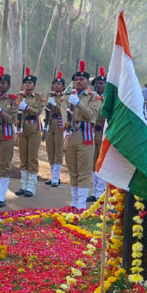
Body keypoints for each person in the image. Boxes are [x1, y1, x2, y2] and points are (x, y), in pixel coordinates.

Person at [62, 60, 101, 209]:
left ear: (87, 82)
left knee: (84, 171)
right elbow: (64, 118)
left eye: (82, 79)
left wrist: (78, 103)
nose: (78, 82)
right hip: (71, 134)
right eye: (76, 79)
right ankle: (74, 201)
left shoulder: (94, 97)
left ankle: (80, 204)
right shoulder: (66, 97)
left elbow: (91, 115)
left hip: (86, 136)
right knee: (73, 170)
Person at [0, 66, 18, 208]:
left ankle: (2, 196)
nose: (1, 85)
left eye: (4, 83)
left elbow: (12, 119)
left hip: (6, 135)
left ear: (8, 85)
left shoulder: (13, 100)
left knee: (4, 165)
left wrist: (0, 112)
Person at [15, 68, 44, 197]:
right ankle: (24, 184)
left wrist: (26, 107)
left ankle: (31, 186)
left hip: (33, 128)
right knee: (23, 157)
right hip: (22, 128)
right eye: (26, 83)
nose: (27, 85)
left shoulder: (38, 97)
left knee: (32, 157)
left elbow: (38, 111)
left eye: (30, 83)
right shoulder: (18, 97)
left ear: (34, 85)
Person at [87, 67, 107, 202]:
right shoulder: (91, 98)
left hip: (103, 132)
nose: (98, 85)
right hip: (92, 132)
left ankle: (102, 192)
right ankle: (96, 191)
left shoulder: (108, 99)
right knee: (93, 163)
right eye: (96, 83)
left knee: (102, 162)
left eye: (101, 83)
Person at [44, 71, 66, 187]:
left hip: (59, 123)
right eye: (55, 84)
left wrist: (54, 105)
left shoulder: (64, 97)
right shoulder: (49, 95)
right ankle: (53, 176)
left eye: (59, 84)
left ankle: (56, 177)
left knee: (58, 151)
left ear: (63, 86)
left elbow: (62, 111)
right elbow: (46, 109)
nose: (56, 86)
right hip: (49, 123)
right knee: (50, 150)